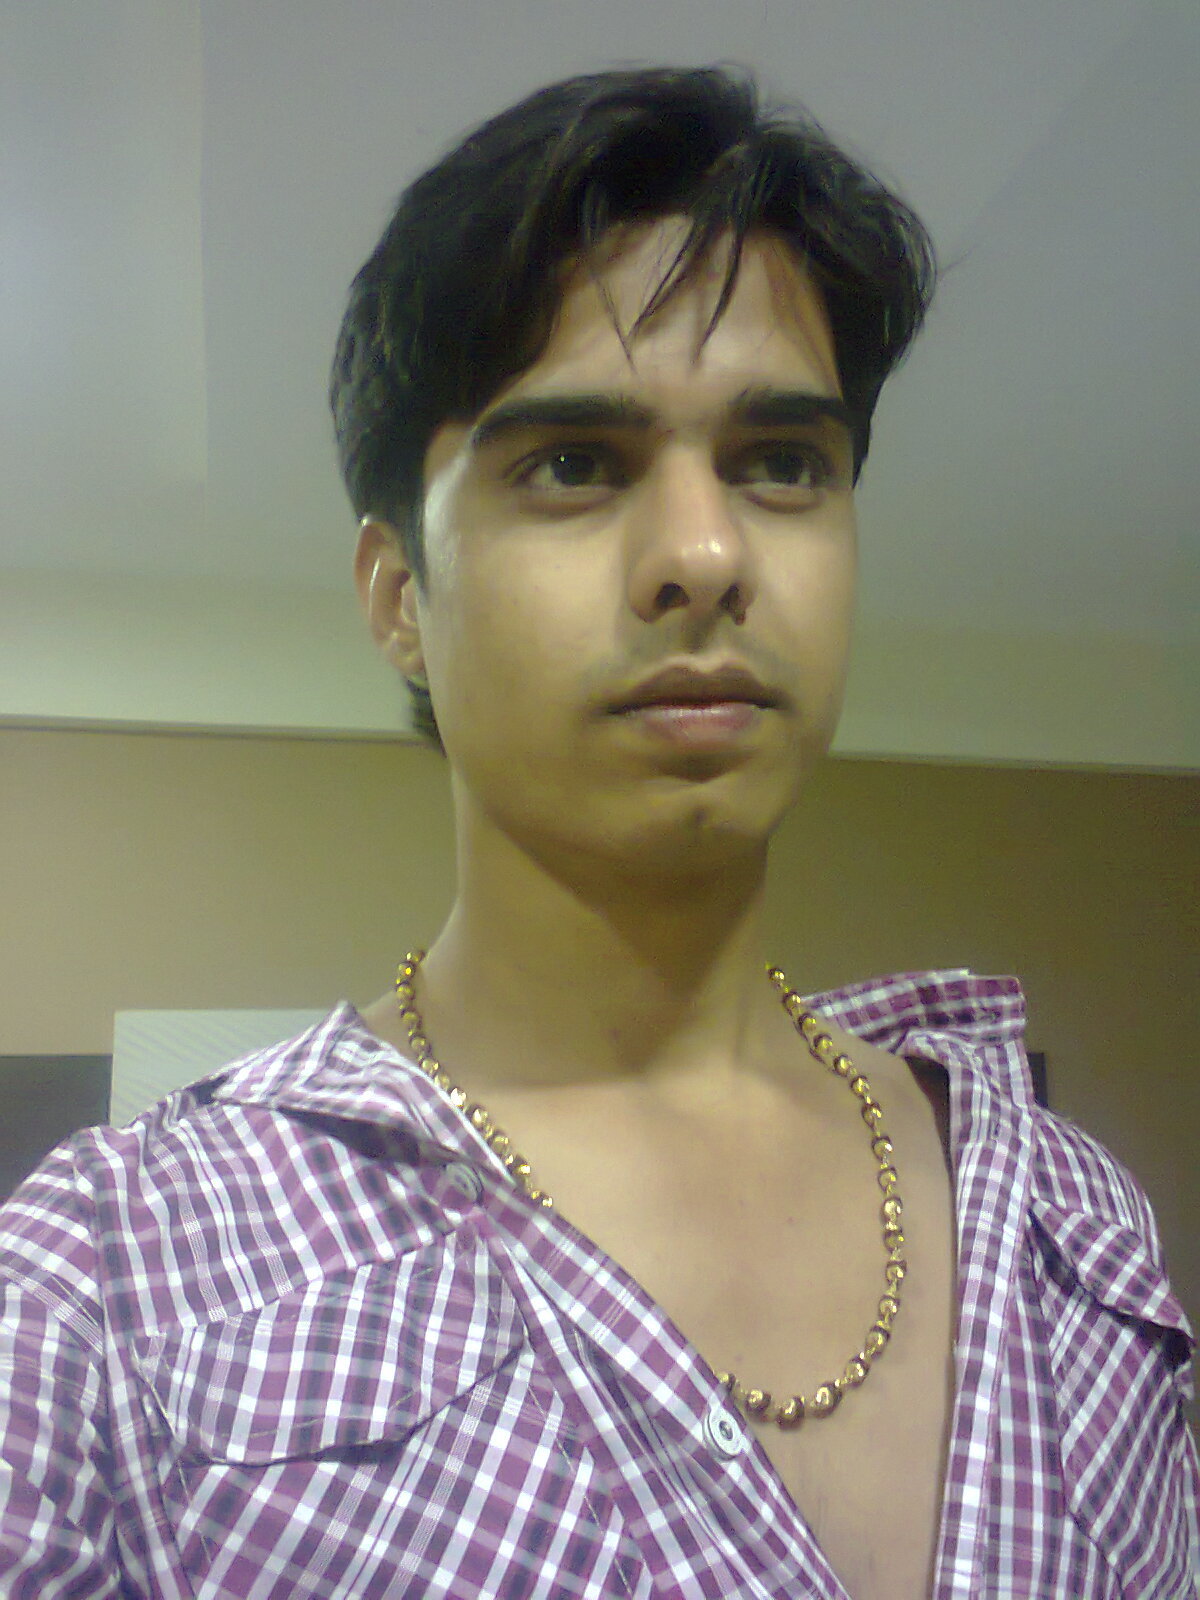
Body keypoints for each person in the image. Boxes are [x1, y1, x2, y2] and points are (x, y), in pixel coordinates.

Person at [0, 66, 1195, 1600]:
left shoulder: (1075, 1223)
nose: (705, 553)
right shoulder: (109, 1281)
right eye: (573, 464)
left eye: (782, 462)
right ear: (398, 599)